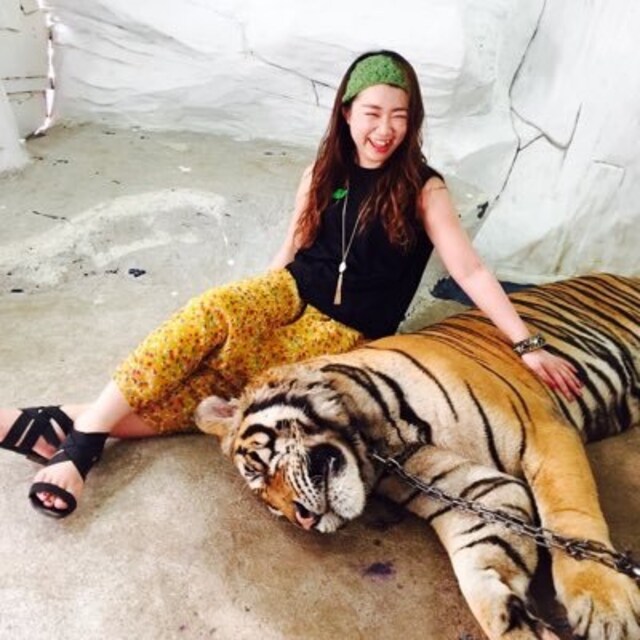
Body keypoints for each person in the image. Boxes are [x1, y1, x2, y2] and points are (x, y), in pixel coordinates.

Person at [0, 50, 582, 518]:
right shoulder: (323, 170)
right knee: (210, 314)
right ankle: (81, 448)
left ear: (413, 120)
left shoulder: (424, 189)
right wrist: (253, 304)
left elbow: (470, 271)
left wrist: (527, 344)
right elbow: (291, 248)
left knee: (223, 387)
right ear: (347, 113)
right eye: (372, 113)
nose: (385, 129)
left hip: (345, 329)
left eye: (399, 116)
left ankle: (60, 427)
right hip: (291, 291)